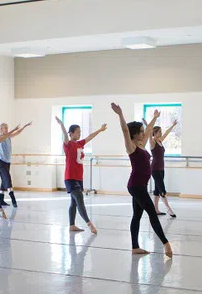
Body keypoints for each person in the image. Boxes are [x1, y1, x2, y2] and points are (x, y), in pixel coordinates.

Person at [111, 104, 173, 257]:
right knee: (152, 213)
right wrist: (120, 114)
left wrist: (155, 118)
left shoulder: (141, 144)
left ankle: (135, 247)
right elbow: (125, 130)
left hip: (140, 186)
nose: (143, 133)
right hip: (136, 186)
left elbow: (148, 129)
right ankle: (166, 244)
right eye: (140, 132)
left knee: (137, 216)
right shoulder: (131, 146)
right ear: (134, 134)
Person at [55, 116, 107, 234]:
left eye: (80, 132)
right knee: (79, 199)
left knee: (73, 202)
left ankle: (72, 225)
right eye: (77, 132)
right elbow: (64, 134)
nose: (79, 134)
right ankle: (89, 224)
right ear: (72, 133)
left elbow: (90, 137)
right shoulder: (68, 145)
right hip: (70, 177)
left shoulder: (80, 144)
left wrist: (100, 129)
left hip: (79, 177)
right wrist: (62, 125)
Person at [145, 118, 179, 217]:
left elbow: (167, 133)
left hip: (161, 169)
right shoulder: (152, 143)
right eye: (159, 132)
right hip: (155, 169)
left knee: (157, 190)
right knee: (162, 190)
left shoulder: (160, 141)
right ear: (154, 133)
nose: (161, 133)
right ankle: (169, 209)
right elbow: (149, 136)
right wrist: (148, 127)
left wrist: (172, 125)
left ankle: (156, 210)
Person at [0, 121, 32, 208]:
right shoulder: (0, 137)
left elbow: (17, 132)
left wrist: (24, 126)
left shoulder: (8, 137)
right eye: (5, 128)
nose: (7, 129)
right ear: (1, 129)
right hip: (1, 161)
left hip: (7, 162)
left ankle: (1, 200)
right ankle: (13, 199)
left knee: (4, 181)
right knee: (7, 179)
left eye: (7, 127)